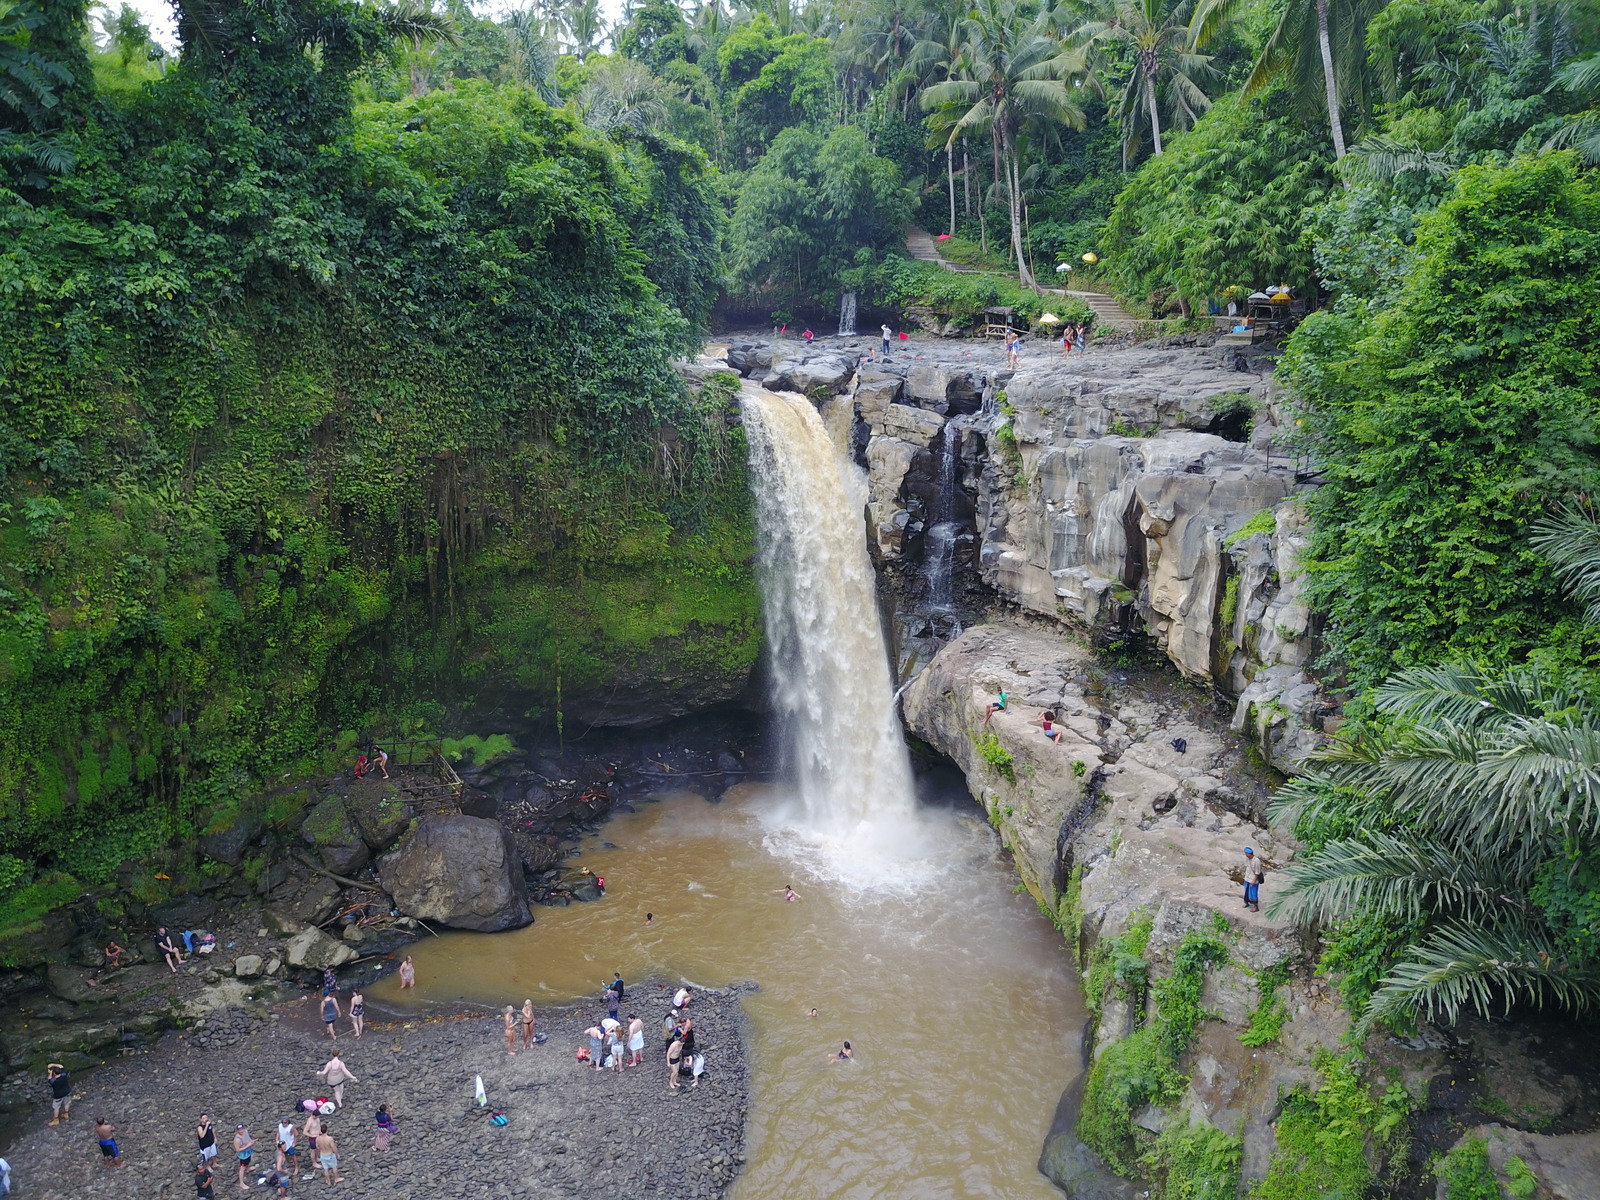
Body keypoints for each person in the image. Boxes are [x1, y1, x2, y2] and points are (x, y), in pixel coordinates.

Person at [1243, 847, 1264, 913]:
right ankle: (1247, 902)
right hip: (1247, 878)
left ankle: (1256, 906)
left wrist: (1254, 880)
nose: (1246, 855)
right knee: (1246, 891)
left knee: (1253, 893)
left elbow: (1257, 872)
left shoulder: (1256, 861)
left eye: (1247, 853)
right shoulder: (1248, 859)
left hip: (1253, 879)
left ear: (1250, 854)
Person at [234, 1124, 253, 1191]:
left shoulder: (246, 1132)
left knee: (249, 1161)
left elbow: (248, 1139)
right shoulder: (237, 1139)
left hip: (248, 1153)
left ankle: (248, 1168)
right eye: (239, 1130)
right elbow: (237, 1150)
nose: (241, 1130)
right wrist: (248, 1146)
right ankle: (241, 1183)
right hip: (243, 1156)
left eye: (242, 1129)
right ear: (237, 1131)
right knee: (242, 1167)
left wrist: (251, 1142)